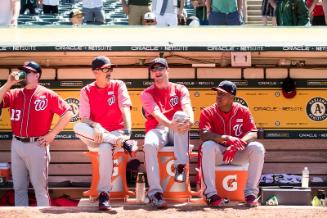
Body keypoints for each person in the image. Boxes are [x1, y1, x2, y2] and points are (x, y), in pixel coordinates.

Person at [0, 61, 73, 206]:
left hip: (37, 145)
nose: (23, 75)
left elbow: (68, 113)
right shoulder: (14, 93)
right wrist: (8, 83)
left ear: (36, 75)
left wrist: (52, 134)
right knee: (18, 188)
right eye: (23, 71)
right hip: (17, 144)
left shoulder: (46, 94)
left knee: (40, 189)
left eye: (27, 72)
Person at [73, 56, 138, 211]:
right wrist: (96, 125)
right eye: (105, 69)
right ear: (96, 71)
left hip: (116, 133)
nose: (109, 72)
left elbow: (125, 109)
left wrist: (127, 133)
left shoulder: (118, 85)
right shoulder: (86, 90)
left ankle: (104, 194)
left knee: (104, 147)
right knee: (77, 127)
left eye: (111, 68)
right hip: (97, 134)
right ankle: (122, 143)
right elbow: (84, 118)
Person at [199, 80, 265, 207]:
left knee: (257, 147)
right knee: (207, 146)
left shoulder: (243, 110)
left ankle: (250, 194)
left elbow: (253, 132)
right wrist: (226, 138)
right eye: (217, 93)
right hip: (219, 154)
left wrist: (237, 144)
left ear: (232, 97)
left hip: (237, 154)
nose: (218, 96)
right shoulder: (208, 112)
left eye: (222, 94)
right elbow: (204, 134)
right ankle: (211, 194)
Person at [141, 57, 194, 209]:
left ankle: (180, 166)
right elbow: (157, 115)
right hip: (158, 128)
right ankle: (155, 193)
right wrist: (170, 124)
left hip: (176, 129)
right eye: (154, 69)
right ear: (151, 73)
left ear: (167, 70)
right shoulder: (147, 93)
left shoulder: (180, 89)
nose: (157, 72)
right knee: (149, 144)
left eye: (160, 68)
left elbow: (187, 106)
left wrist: (191, 120)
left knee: (181, 115)